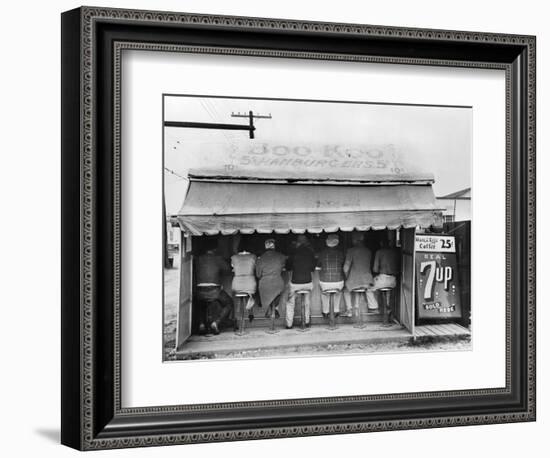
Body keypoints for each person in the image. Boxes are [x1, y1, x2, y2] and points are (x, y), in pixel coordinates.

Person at [194, 245, 234, 335]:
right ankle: (216, 322)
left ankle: (201, 324)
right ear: (215, 249)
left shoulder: (198, 259)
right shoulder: (217, 258)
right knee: (229, 303)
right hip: (214, 291)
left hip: (199, 290)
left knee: (200, 305)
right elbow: (228, 269)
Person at [285, 234, 316, 329]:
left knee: (290, 302)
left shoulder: (293, 252)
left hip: (295, 283)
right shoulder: (310, 252)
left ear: (297, 242)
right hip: (308, 283)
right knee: (307, 301)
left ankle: (289, 324)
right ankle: (306, 322)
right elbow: (313, 268)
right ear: (306, 242)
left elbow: (288, 267)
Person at [343, 232, 378, 313]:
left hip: (355, 281)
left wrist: (347, 277)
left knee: (345, 290)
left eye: (353, 239)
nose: (352, 241)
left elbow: (345, 268)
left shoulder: (351, 251)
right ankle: (373, 307)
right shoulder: (368, 251)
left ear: (355, 240)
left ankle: (349, 309)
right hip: (367, 280)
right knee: (367, 289)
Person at [318, 234, 350, 318]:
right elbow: (344, 266)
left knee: (324, 294)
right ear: (337, 243)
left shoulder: (322, 253)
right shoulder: (341, 254)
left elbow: (318, 265)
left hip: (325, 282)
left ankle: (325, 311)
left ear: (327, 242)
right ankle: (336, 310)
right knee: (338, 293)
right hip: (338, 282)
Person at [255, 239, 287, 319]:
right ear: (274, 246)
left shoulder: (260, 259)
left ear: (265, 247)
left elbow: (258, 275)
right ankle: (274, 308)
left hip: (264, 285)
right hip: (278, 283)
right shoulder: (281, 256)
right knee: (280, 291)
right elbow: (283, 266)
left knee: (265, 293)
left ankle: (270, 308)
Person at [372, 238, 401, 323]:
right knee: (387, 292)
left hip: (383, 278)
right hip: (393, 280)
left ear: (381, 243)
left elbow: (375, 269)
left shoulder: (379, 252)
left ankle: (375, 307)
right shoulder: (395, 252)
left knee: (370, 288)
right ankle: (387, 307)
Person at [231, 248, 257, 325]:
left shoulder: (233, 257)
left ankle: (235, 318)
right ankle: (250, 313)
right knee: (251, 292)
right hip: (250, 284)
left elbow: (232, 268)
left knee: (235, 298)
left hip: (236, 285)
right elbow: (255, 268)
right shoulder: (253, 257)